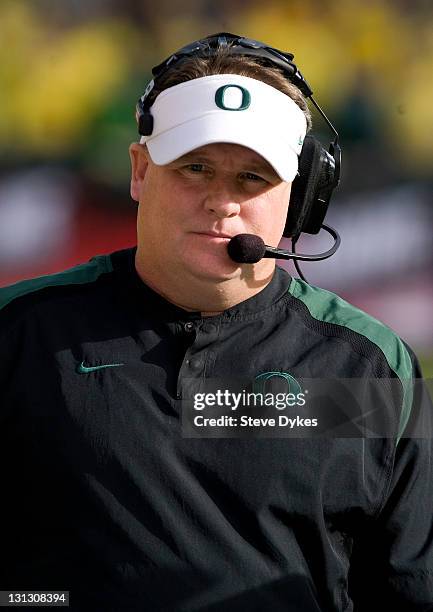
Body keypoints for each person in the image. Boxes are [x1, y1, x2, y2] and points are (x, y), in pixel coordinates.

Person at [0, 32, 432, 612]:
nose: (221, 201)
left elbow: (408, 587)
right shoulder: (20, 333)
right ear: (140, 170)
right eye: (195, 167)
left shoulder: (366, 365)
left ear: (302, 198)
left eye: (252, 178)